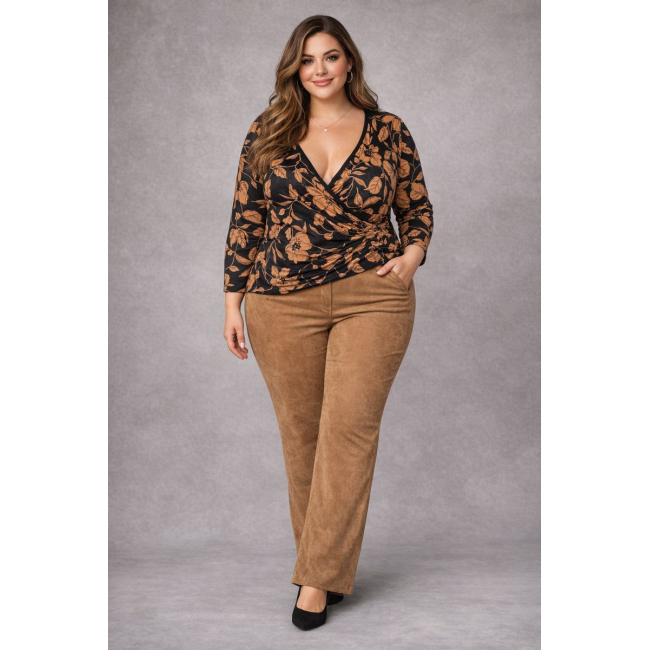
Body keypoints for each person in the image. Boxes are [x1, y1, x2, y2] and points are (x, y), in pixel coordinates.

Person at [222, 15, 434, 631]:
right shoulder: (267, 131)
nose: (320, 69)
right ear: (295, 67)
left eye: (331, 56)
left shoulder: (388, 131)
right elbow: (246, 219)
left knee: (348, 432)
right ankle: (326, 567)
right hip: (280, 300)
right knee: (303, 438)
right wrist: (232, 301)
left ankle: (314, 582)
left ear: (350, 63)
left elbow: (416, 207)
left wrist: (412, 255)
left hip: (374, 296)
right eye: (308, 59)